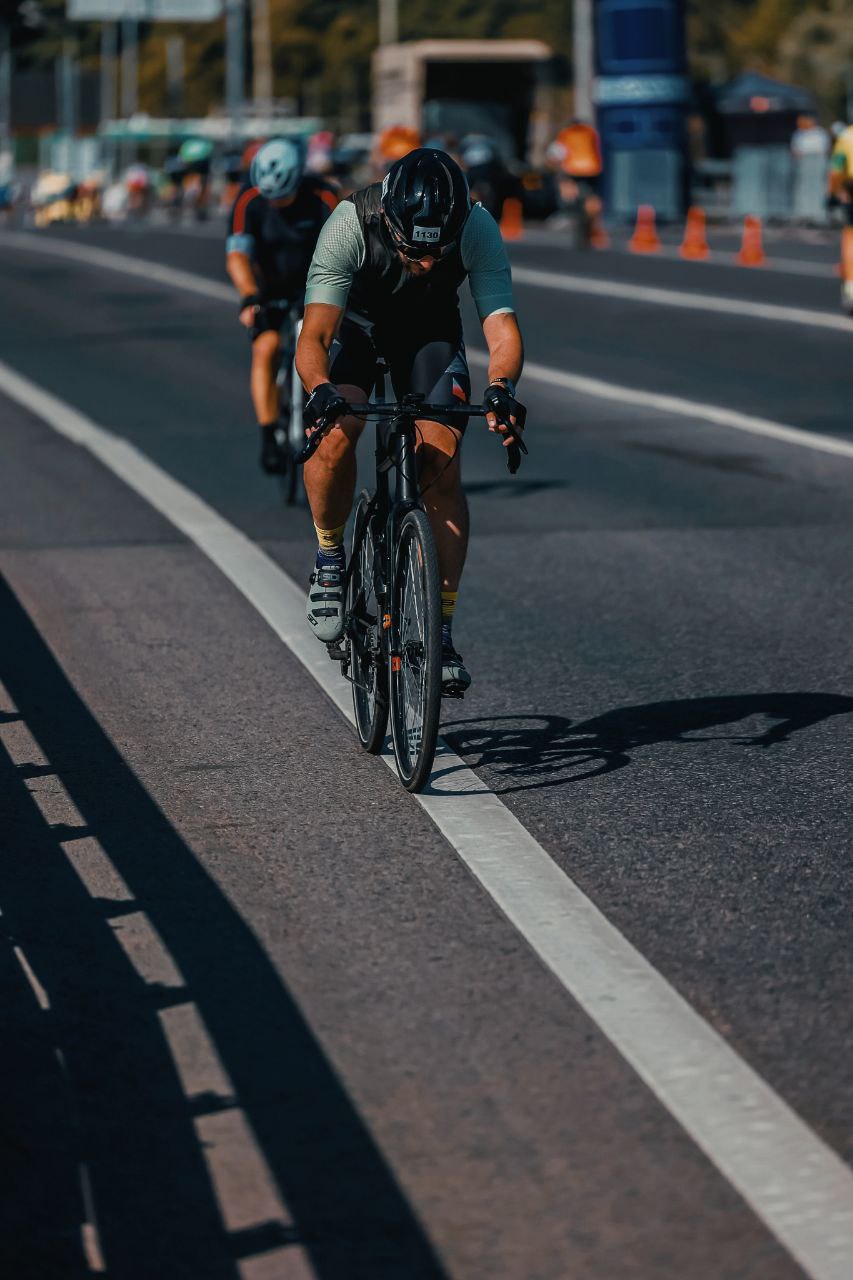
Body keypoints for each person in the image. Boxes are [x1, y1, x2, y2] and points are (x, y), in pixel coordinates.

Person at [295, 147, 526, 695]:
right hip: (358, 330)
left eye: (435, 254)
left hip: (428, 335)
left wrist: (501, 389)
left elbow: (502, 331)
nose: (423, 264)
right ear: (390, 222)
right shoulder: (350, 222)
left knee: (442, 464)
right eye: (409, 251)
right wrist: (321, 390)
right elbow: (313, 339)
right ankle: (330, 555)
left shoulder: (477, 226)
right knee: (334, 436)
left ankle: (440, 627)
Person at [226, 137, 338, 474]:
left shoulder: (324, 196)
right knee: (266, 347)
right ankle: (267, 436)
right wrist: (248, 295)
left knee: (320, 344)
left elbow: (345, 248)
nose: (275, 205)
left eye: (284, 199)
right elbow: (237, 255)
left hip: (315, 283)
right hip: (268, 284)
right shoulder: (249, 198)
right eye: (269, 198)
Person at [828, 122, 853, 315]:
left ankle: (851, 288)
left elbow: (836, 169)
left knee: (850, 237)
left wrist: (834, 194)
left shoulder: (846, 136)